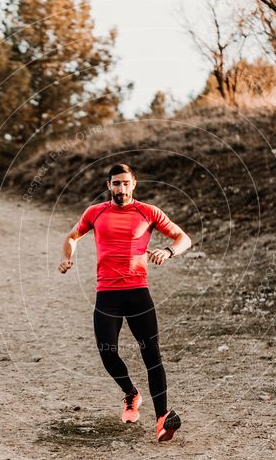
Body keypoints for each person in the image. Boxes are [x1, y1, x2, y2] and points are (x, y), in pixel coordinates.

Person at [59, 164, 192, 442]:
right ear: (109, 186)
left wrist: (168, 251)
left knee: (151, 355)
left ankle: (162, 418)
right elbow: (71, 237)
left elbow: (184, 239)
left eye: (126, 183)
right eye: (116, 184)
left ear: (134, 184)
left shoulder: (148, 212)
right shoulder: (95, 213)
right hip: (107, 294)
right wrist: (67, 257)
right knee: (107, 352)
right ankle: (131, 393)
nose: (121, 189)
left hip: (138, 293)